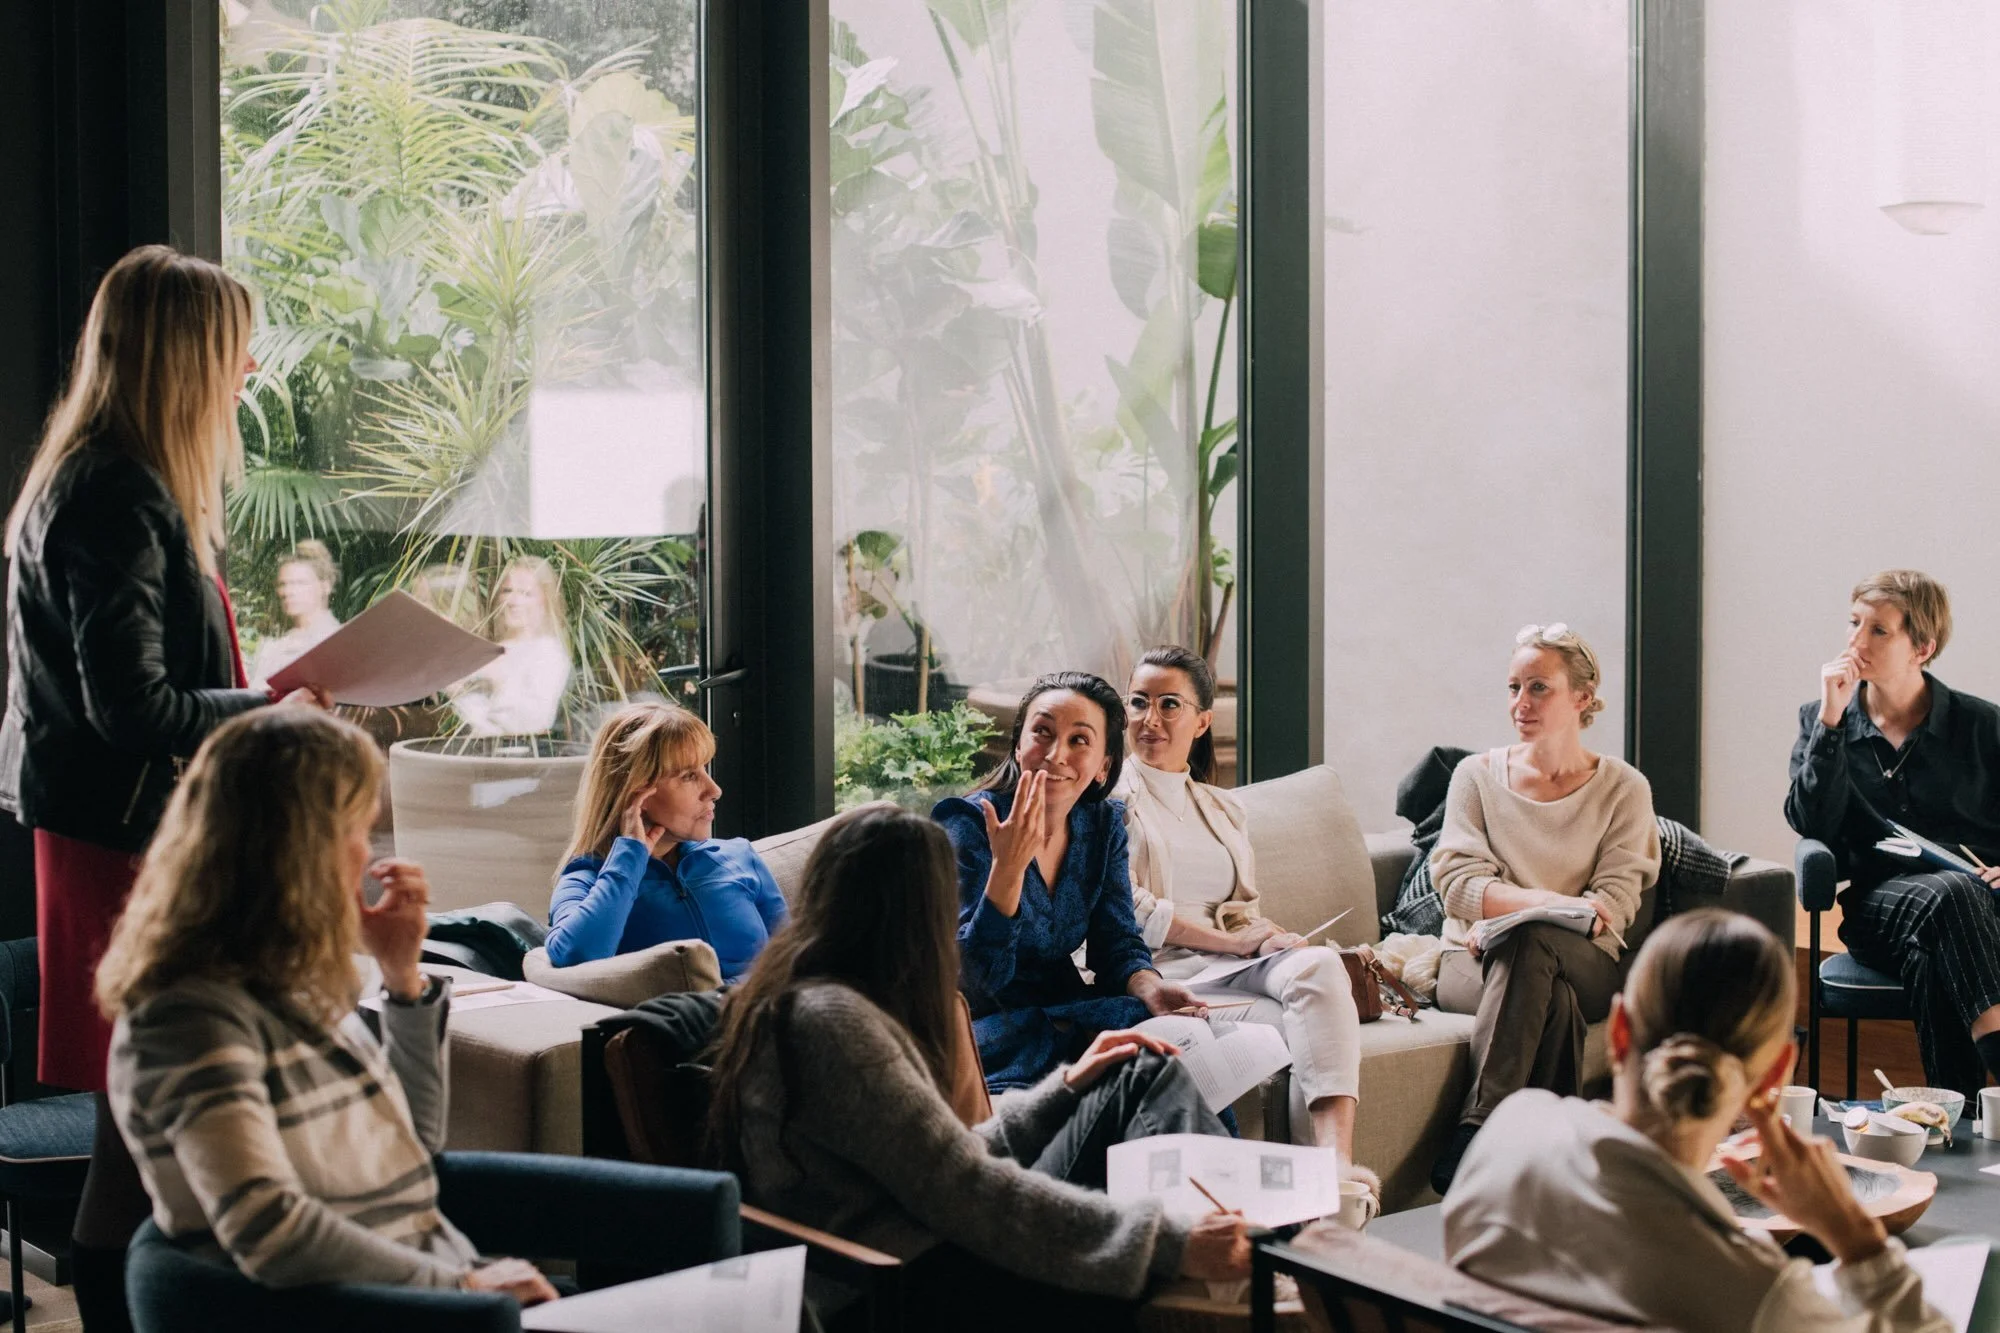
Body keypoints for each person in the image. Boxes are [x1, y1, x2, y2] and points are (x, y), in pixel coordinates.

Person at [0, 245, 327, 1329]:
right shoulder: (117, 490)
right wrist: (273, 709)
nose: (246, 372)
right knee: (140, 1131)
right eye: (233, 350)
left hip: (114, 833)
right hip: (123, 845)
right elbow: (132, 708)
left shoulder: (106, 477)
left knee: (138, 1126)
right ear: (184, 358)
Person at [706, 805, 1250, 1331]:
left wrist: (1066, 1089)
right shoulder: (830, 1022)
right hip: (906, 1283)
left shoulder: (830, 1000)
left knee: (1137, 1070)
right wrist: (1164, 1242)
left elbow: (947, 1156)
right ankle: (1223, 1273)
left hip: (934, 1236)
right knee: (1147, 1113)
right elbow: (963, 1186)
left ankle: (1229, 1252)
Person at [96, 708, 556, 1303]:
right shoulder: (190, 1020)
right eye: (358, 828)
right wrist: (462, 1285)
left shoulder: (289, 984)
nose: (366, 855)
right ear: (301, 849)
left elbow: (410, 1148)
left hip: (434, 1291)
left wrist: (402, 977)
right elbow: (267, 1229)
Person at [1445, 909, 1951, 1332]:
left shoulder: (1507, 1131)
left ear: (1620, 1030)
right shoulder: (1756, 1297)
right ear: (1776, 1073)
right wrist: (1857, 1240)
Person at [1427, 623, 1660, 1195]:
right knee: (1543, 988)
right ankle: (1552, 1167)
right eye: (1513, 688)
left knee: (1533, 945)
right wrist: (1549, 903)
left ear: (1582, 698)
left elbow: (1615, 903)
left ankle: (1477, 1130)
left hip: (1586, 957)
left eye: (1538, 688)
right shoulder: (1475, 777)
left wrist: (1523, 913)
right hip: (1470, 958)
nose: (1520, 704)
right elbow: (1456, 885)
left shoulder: (1624, 788)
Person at [1119, 646, 1369, 1176]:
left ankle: (1336, 1172)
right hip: (1160, 972)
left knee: (1318, 966)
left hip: (1230, 968)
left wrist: (1262, 932)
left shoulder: (1223, 807)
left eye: (1169, 705)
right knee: (1308, 1029)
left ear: (1203, 720)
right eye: (1140, 702)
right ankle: (1324, 1202)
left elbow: (1238, 909)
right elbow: (1127, 911)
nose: (1150, 719)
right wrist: (1235, 943)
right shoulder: (1110, 799)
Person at [934, 672, 1207, 1092]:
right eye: (1042, 732)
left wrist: (1149, 986)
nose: (1055, 755)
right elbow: (973, 982)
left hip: (1068, 1017)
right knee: (1147, 1062)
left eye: (1079, 740)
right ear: (1018, 744)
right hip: (988, 1035)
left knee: (1177, 1053)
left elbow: (1116, 941)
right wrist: (1006, 870)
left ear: (1103, 766)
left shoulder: (1102, 826)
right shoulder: (968, 824)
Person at [1786, 570, 2000, 1099]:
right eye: (1854, 623)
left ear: (1921, 647)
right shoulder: (1822, 720)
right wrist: (1832, 726)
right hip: (1878, 911)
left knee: (1939, 942)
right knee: (1950, 894)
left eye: (1878, 630)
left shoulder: (1981, 727)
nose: (1856, 642)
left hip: (1980, 914)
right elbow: (1810, 825)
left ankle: (1961, 1117)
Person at [547, 702, 787, 981]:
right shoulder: (587, 878)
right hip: (681, 1021)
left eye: (705, 769)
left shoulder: (739, 856)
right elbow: (576, 959)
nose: (714, 790)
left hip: (762, 1017)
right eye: (689, 776)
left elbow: (796, 962)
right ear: (638, 793)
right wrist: (629, 859)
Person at [453, 555, 571, 735]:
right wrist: (456, 690)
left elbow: (533, 722)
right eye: (507, 591)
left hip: (518, 758)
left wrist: (499, 681)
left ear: (544, 600)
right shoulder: (495, 649)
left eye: (526, 593)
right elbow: (478, 722)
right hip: (476, 754)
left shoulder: (547, 652)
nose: (513, 601)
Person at [247, 539, 342, 688]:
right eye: (283, 584)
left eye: (300, 583)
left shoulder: (340, 641)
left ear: (325, 586)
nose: (288, 592)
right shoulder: (271, 647)